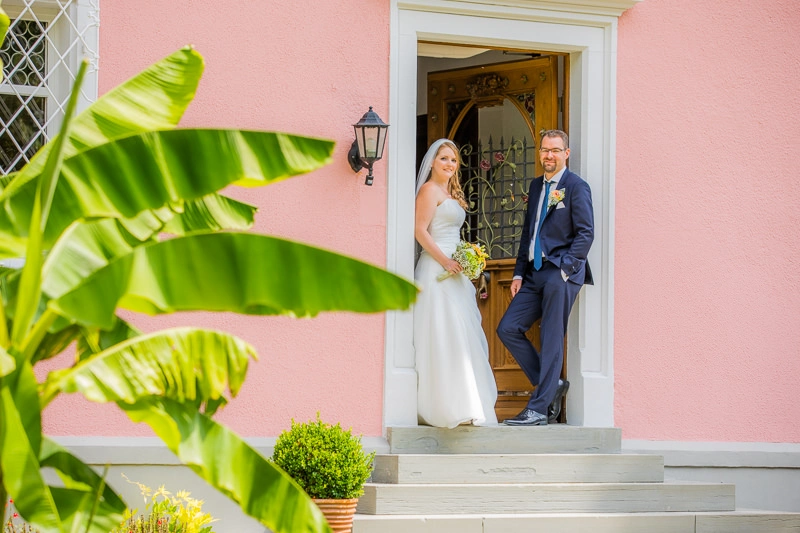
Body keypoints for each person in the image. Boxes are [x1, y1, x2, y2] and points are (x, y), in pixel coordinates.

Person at [496, 130, 594, 426]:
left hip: (560, 274)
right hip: (534, 272)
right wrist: (518, 272)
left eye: (555, 150)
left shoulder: (576, 187)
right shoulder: (538, 185)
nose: (548, 155)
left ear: (566, 153)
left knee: (552, 336)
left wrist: (566, 269)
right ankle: (551, 385)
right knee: (508, 328)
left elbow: (586, 233)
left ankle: (538, 410)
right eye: (544, 150)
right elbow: (529, 231)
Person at [413, 138, 498, 428]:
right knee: (442, 334)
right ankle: (442, 406)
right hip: (436, 269)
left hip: (455, 271)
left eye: (453, 160)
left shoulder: (452, 193)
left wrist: (466, 259)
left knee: (462, 336)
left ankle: (467, 402)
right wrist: (445, 261)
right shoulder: (428, 190)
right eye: (443, 159)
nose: (449, 164)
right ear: (433, 163)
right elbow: (420, 231)